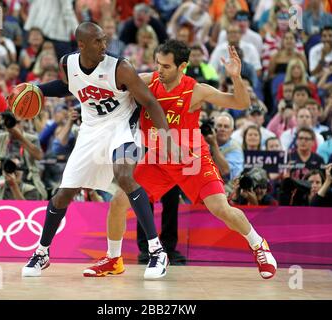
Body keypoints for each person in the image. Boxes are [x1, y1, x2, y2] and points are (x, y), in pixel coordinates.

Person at [83, 40, 277, 280]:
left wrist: (236, 77)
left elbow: (241, 103)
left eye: (166, 66)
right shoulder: (147, 81)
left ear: (182, 66)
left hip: (191, 160)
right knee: (118, 202)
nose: (160, 70)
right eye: (158, 64)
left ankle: (259, 246)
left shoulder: (196, 90)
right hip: (157, 161)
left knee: (221, 209)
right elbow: (108, 89)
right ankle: (113, 259)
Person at [20, 22, 175, 280]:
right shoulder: (67, 63)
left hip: (123, 125)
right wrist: (39, 89)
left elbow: (149, 101)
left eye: (105, 40)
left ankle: (157, 251)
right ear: (82, 45)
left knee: (125, 176)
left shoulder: (120, 67)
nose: (104, 45)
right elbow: (66, 86)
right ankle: (42, 252)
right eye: (98, 42)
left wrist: (167, 138)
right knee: (63, 194)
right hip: (91, 129)